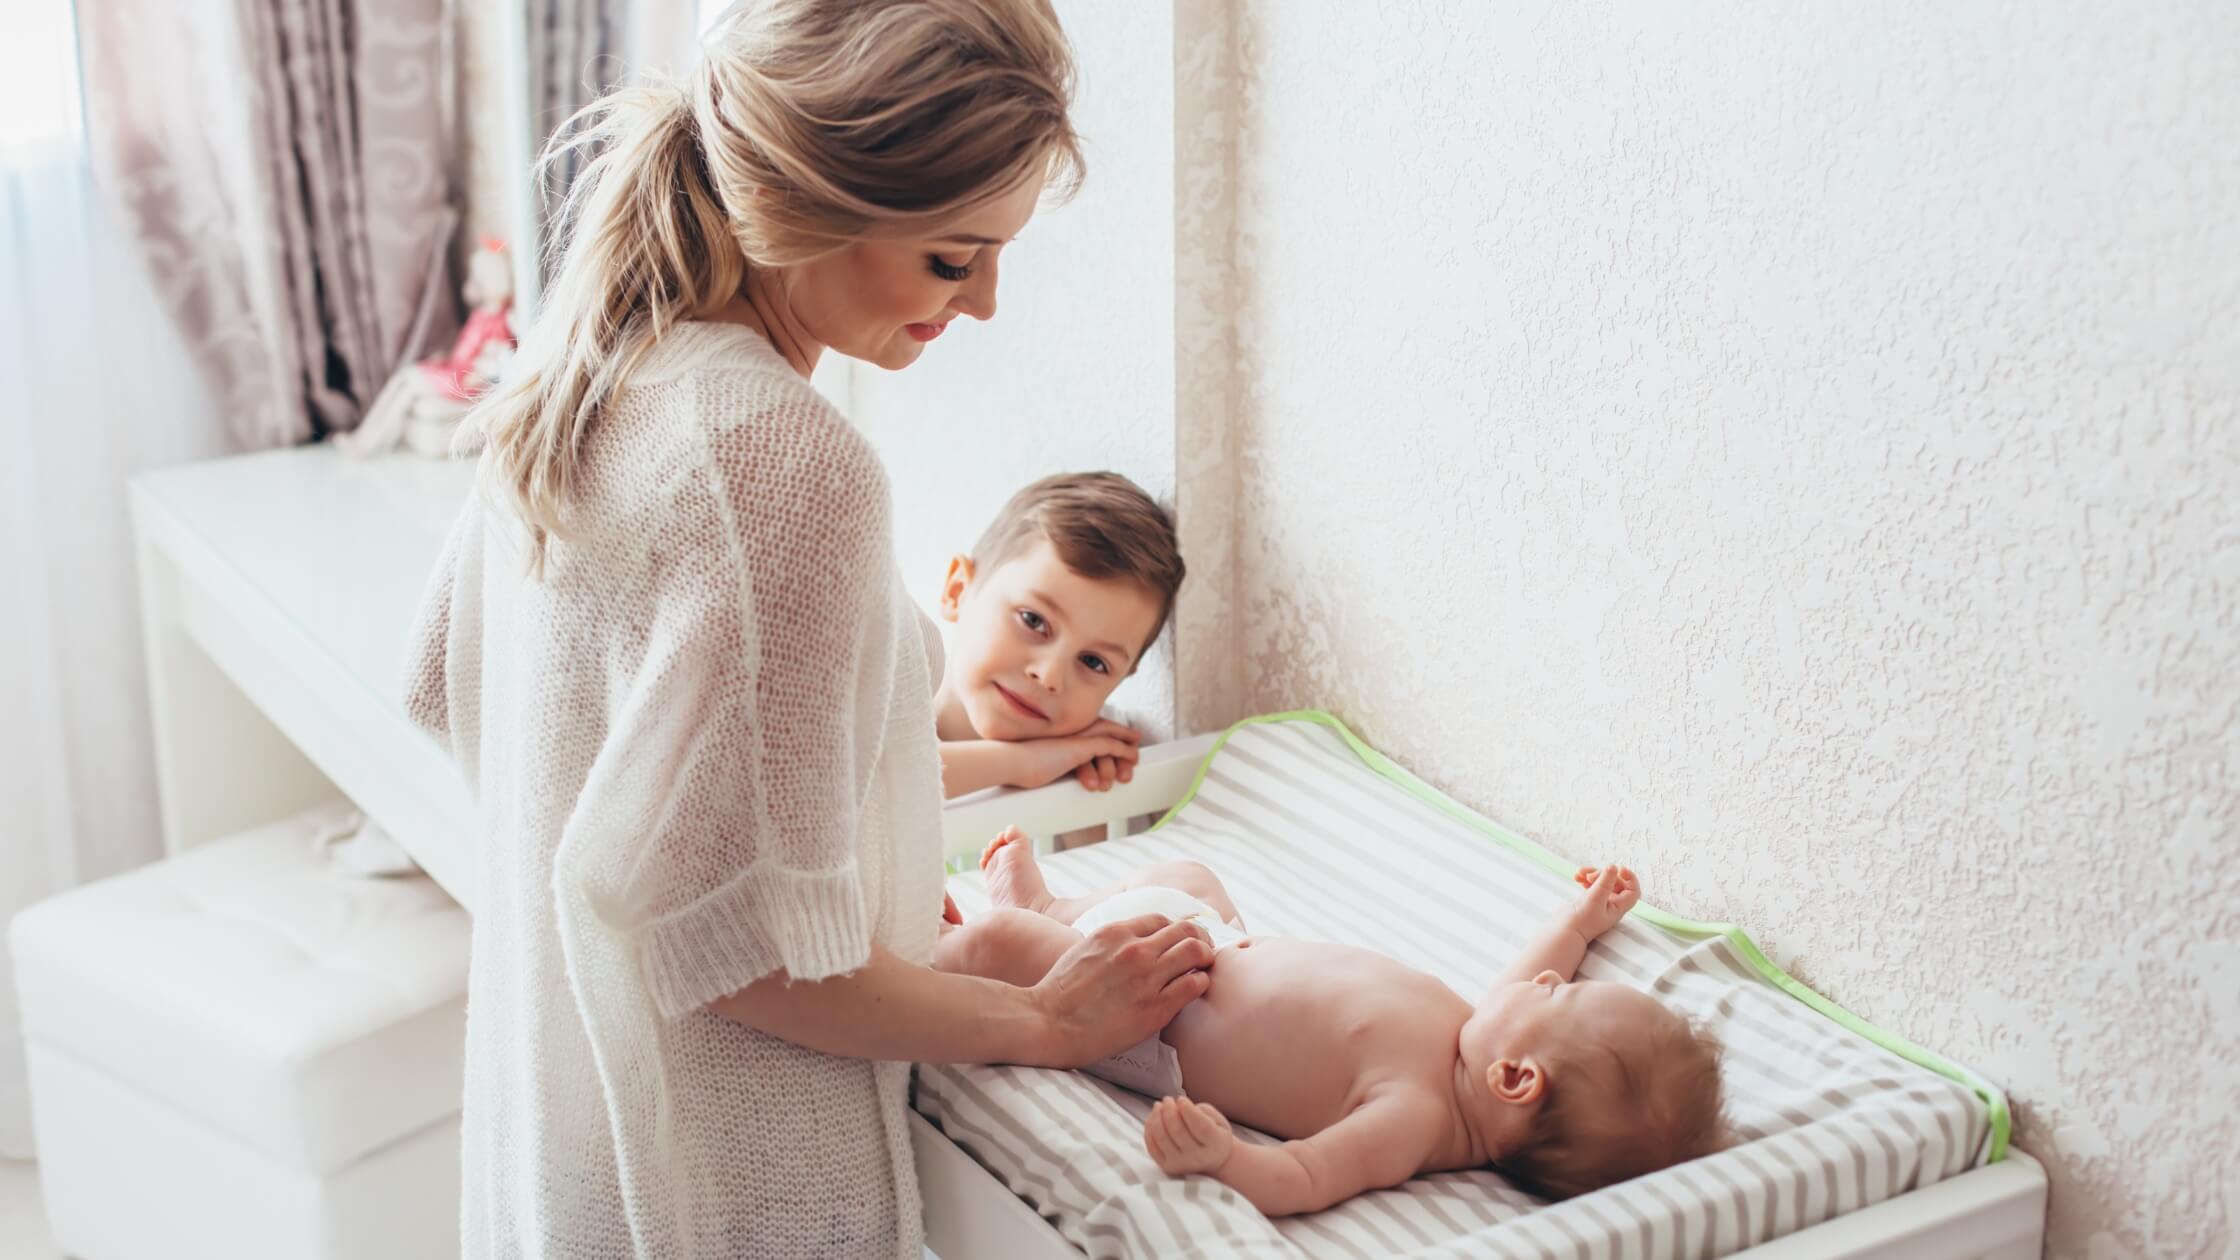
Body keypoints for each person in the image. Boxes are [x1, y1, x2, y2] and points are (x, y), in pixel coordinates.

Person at [401, 3, 1212, 1256]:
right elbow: (755, 963)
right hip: (717, 1183)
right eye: (953, 259)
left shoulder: (590, 368)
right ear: (807, 204)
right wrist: (1048, 1021)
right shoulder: (780, 461)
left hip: (553, 1144)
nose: (987, 302)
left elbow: (443, 685)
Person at [937, 834, 1729, 1211]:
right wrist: (1584, 918)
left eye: (1562, 996)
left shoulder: (1413, 1115)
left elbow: (1308, 1177)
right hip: (1212, 940)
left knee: (997, 946)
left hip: (1147, 1022)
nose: (1553, 981)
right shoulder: (1481, 1035)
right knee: (1185, 875)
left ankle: (957, 944)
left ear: (1516, 1079)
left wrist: (1224, 1158)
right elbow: (1538, 960)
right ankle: (1049, 910)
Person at [931, 471, 1186, 798]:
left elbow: (1100, 846)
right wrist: (1022, 764)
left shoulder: (1092, 757)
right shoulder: (884, 705)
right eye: (1033, 621)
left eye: (1093, 662)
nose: (1049, 675)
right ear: (957, 592)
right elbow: (874, 779)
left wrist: (1086, 792)